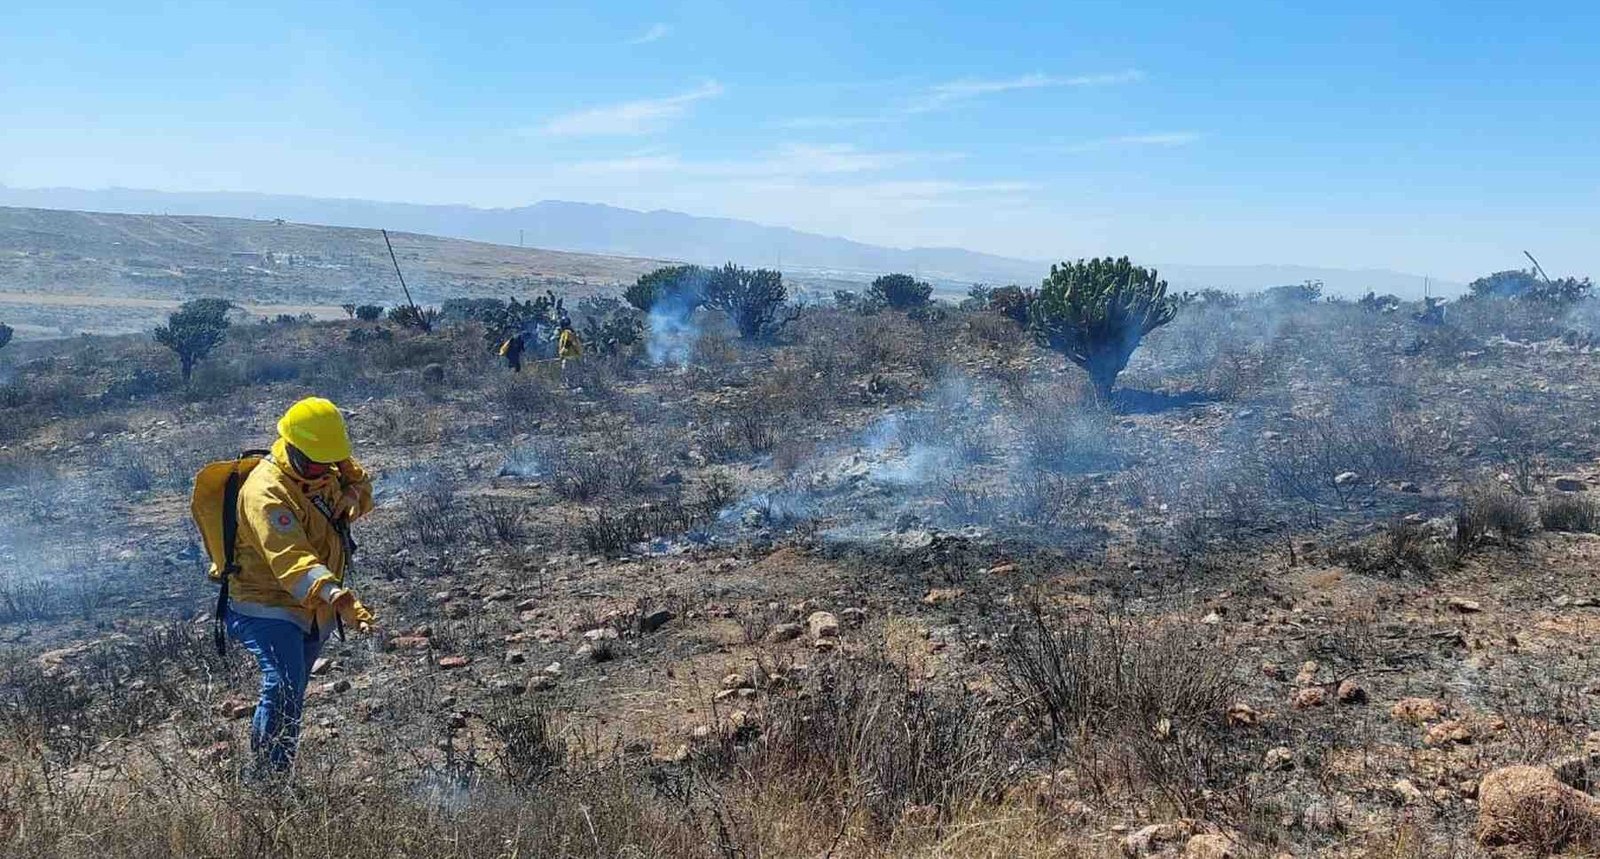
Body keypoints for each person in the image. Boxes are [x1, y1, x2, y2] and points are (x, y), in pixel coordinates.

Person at [227, 396, 376, 775]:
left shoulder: (323, 467)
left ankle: (276, 769)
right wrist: (337, 596)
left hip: (313, 605)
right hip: (268, 603)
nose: (323, 471)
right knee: (283, 684)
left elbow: (359, 480)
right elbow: (292, 559)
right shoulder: (266, 493)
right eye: (314, 464)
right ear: (292, 448)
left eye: (330, 463)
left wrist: (352, 494)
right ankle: (268, 781)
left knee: (292, 691)